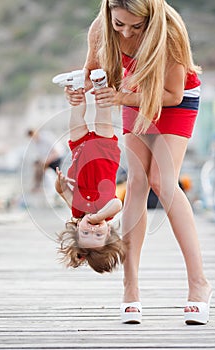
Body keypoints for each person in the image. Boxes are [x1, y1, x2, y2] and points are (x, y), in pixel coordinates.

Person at [66, 0, 212, 325]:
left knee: (163, 181)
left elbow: (172, 95)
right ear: (109, 14)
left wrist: (120, 97)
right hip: (134, 93)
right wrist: (79, 93)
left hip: (174, 100)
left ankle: (198, 283)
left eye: (137, 26)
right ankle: (130, 287)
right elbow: (91, 77)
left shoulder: (170, 31)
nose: (127, 32)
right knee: (136, 182)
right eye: (119, 25)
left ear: (151, 17)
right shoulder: (101, 29)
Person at [55, 71, 125, 274]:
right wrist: (98, 216)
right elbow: (117, 203)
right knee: (103, 115)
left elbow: (64, 193)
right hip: (105, 152)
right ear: (109, 230)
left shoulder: (77, 211)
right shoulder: (107, 212)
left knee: (76, 118)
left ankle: (77, 86)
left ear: (77, 228)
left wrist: (59, 184)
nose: (93, 228)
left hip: (79, 151)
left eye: (86, 232)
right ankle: (101, 84)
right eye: (98, 234)